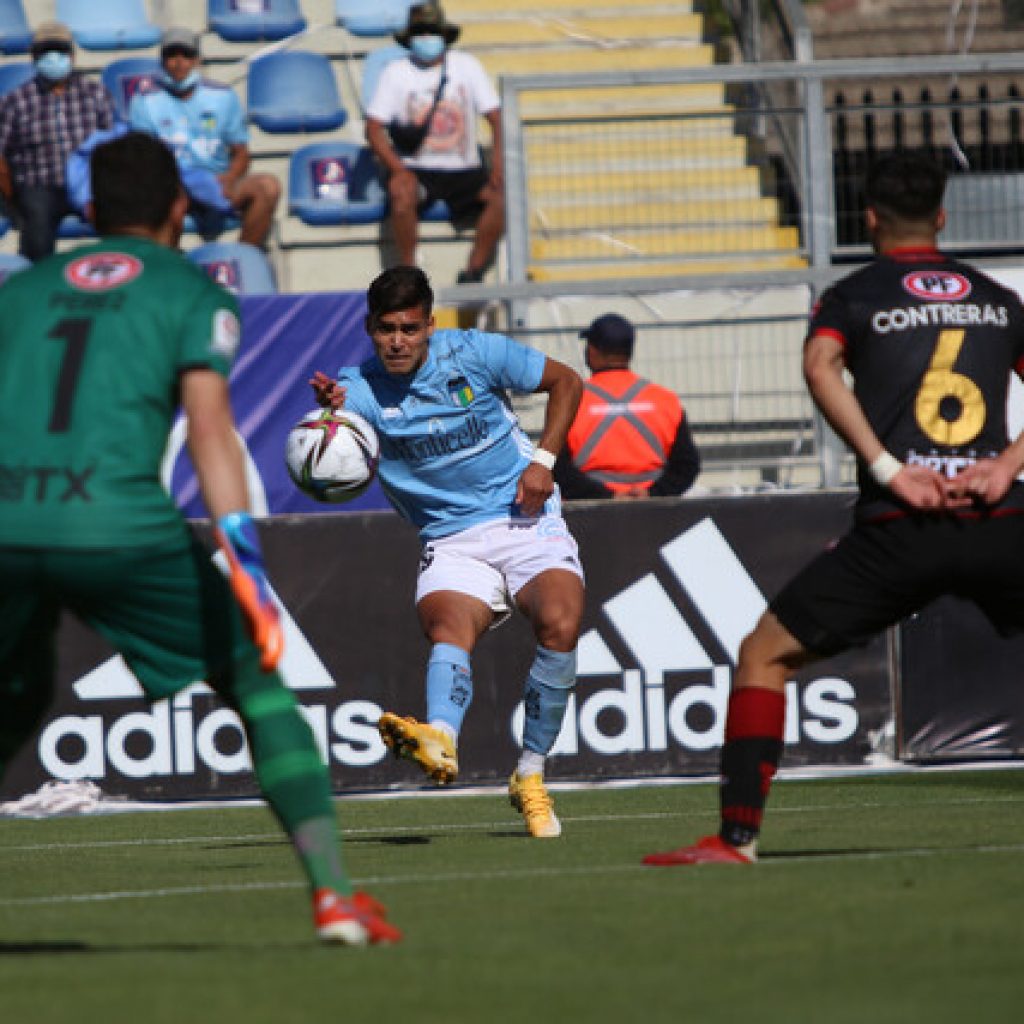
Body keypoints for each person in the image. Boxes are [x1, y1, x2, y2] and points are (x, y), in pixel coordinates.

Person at [0, 132, 398, 947]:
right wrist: (248, 571)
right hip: (118, 523)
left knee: (18, 698)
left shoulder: (19, 290)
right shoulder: (191, 291)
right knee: (255, 683)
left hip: (8, 523)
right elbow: (212, 434)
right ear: (182, 208)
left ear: (86, 211)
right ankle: (333, 899)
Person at [643, 151, 1024, 867]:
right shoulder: (998, 298)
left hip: (900, 524)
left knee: (765, 653)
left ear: (870, 219)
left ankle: (737, 841)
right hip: (995, 516)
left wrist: (889, 468)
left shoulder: (854, 296)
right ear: (941, 218)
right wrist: (1005, 465)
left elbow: (820, 365)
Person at [311, 266, 584, 837]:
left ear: (430, 325)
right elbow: (332, 436)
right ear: (369, 328)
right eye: (385, 329)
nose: (397, 341)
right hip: (450, 537)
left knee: (560, 623)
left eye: (410, 328)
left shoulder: (476, 353)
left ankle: (530, 775)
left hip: (524, 517)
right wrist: (330, 418)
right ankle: (440, 740)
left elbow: (568, 382)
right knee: (448, 628)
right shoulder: (357, 387)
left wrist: (544, 461)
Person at [365, 2, 504, 284]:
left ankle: (473, 271)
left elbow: (497, 119)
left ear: (444, 34)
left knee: (504, 197)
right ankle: (408, 272)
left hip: (465, 169)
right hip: (417, 168)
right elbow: (373, 129)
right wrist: (398, 168)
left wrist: (498, 164)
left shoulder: (467, 66)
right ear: (410, 37)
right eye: (420, 32)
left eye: (432, 31)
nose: (427, 37)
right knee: (400, 191)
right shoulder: (395, 72)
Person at [128, 27, 281, 247]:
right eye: (172, 55)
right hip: (173, 183)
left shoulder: (222, 96)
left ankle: (247, 257)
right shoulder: (145, 100)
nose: (179, 62)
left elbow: (241, 152)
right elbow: (143, 159)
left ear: (197, 60)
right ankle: (170, 269)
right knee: (168, 201)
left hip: (216, 180)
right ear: (162, 61)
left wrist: (229, 177)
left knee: (267, 186)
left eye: (186, 55)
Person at [0, 21, 114, 261]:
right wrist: (12, 200)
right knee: (37, 222)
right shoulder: (15, 101)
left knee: (123, 217)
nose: (53, 57)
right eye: (45, 51)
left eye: (59, 51)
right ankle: (38, 284)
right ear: (33, 58)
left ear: (72, 56)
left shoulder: (96, 94)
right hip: (40, 185)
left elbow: (112, 144)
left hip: (89, 183)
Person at [554, 313, 701, 499]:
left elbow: (557, 467)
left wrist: (608, 496)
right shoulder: (665, 399)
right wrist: (652, 493)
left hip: (591, 512)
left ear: (591, 351)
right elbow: (687, 466)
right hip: (654, 511)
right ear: (629, 351)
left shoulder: (570, 400)